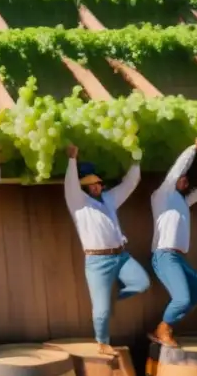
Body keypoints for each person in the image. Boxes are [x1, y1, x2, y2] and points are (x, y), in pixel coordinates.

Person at [63, 144, 149, 358]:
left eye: (97, 184)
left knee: (142, 283)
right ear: (83, 187)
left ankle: (116, 291)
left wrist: (136, 159)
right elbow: (70, 185)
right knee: (101, 311)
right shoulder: (78, 202)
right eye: (89, 185)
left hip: (120, 256)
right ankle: (102, 342)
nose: (95, 187)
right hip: (97, 262)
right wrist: (72, 160)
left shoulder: (109, 199)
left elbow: (130, 184)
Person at [148, 140, 197, 347]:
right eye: (182, 178)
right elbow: (176, 171)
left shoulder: (183, 202)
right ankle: (163, 329)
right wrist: (193, 149)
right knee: (182, 299)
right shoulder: (162, 195)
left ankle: (164, 327)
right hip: (164, 255)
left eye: (187, 179)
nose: (184, 180)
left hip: (177, 257)